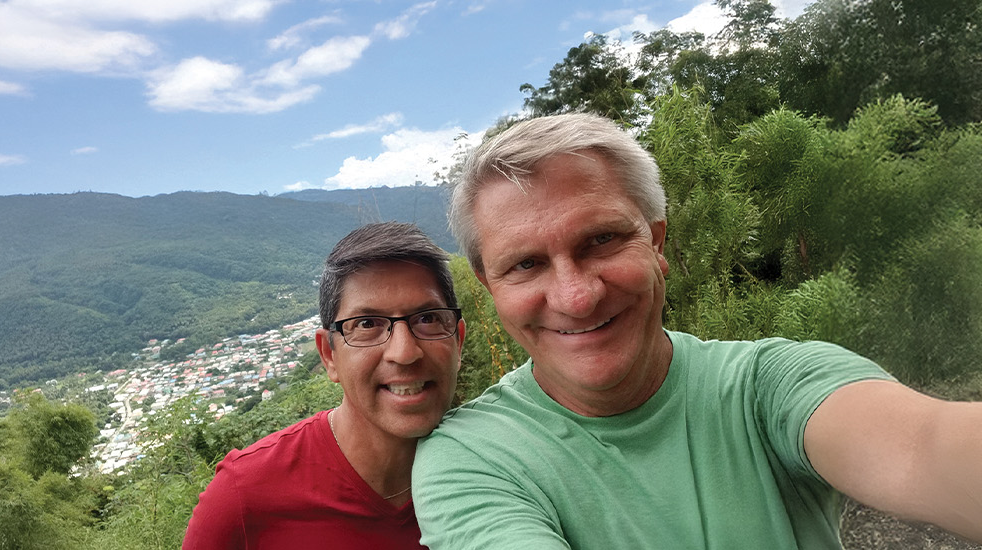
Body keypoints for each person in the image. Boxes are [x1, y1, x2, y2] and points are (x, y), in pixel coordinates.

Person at [414, 112, 982, 549]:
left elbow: (925, 447)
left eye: (602, 240)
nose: (576, 296)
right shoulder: (473, 458)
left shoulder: (772, 386)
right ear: (491, 290)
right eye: (525, 265)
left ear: (657, 242)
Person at [184, 222, 465, 549]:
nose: (404, 353)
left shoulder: (499, 470)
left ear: (457, 341)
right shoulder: (244, 497)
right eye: (367, 324)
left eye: (428, 318)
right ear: (329, 354)